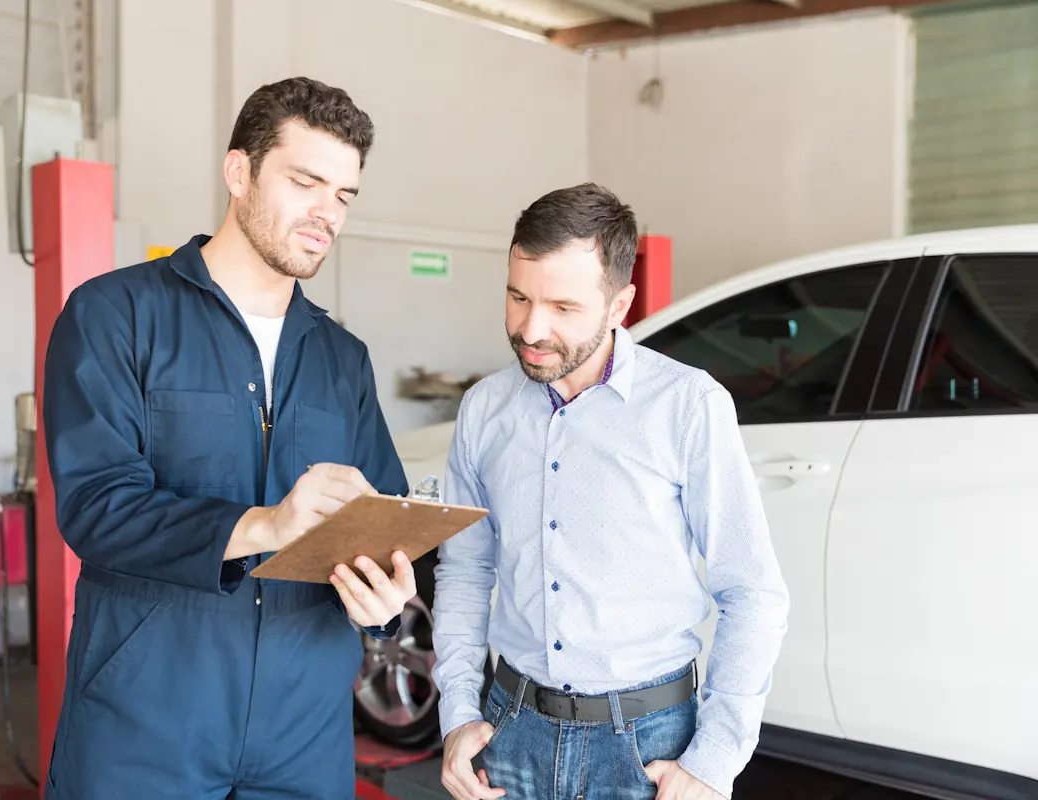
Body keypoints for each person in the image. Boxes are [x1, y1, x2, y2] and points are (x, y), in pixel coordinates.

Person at [41, 77, 416, 799]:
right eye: (306, 182)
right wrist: (265, 524)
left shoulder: (343, 358)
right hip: (148, 713)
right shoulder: (116, 316)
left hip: (305, 724)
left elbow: (382, 512)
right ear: (239, 172)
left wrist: (382, 594)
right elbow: (96, 506)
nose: (326, 214)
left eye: (343, 196)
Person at [433, 183, 790, 800]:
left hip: (647, 743)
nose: (531, 328)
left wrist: (713, 759)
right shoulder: (484, 410)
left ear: (620, 302)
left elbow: (752, 590)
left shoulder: (688, 405)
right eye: (518, 297)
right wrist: (459, 713)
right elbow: (466, 572)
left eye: (563, 308)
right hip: (507, 730)